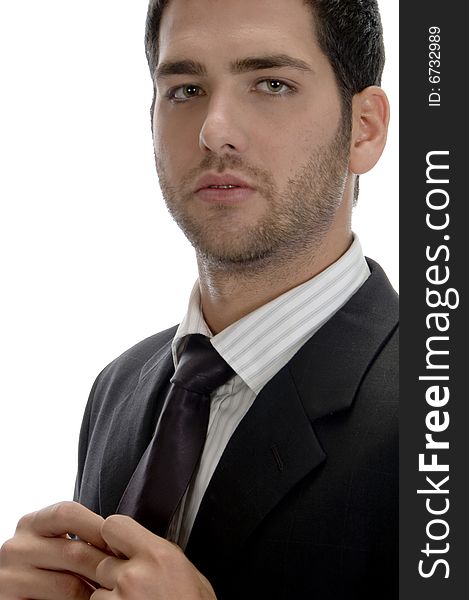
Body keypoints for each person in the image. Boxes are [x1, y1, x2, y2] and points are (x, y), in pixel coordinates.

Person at [0, 0, 398, 598]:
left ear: (363, 128)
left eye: (271, 83)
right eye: (185, 89)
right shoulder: (119, 387)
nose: (215, 130)